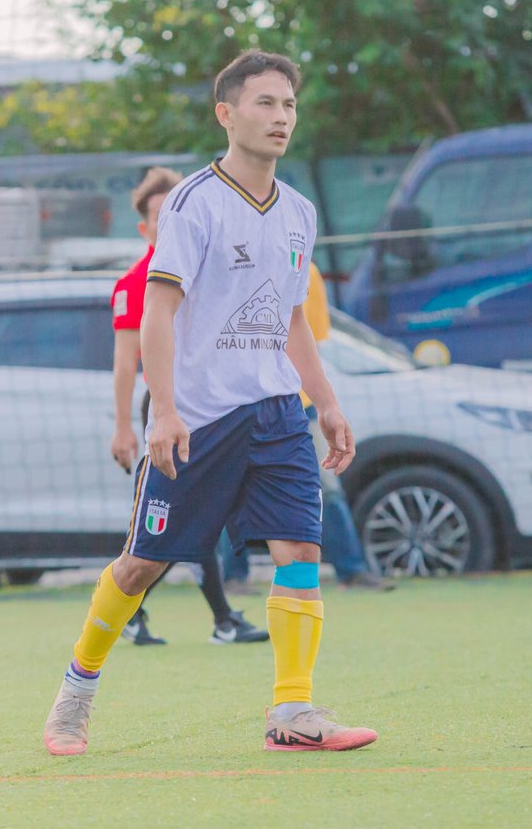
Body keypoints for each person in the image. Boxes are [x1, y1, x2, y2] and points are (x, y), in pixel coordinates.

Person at [44, 50, 377, 756]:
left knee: (300, 550)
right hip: (199, 422)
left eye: (289, 104)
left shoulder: (300, 212)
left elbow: (291, 319)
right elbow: (157, 312)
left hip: (278, 414)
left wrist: (327, 403)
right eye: (265, 103)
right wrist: (163, 411)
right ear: (226, 113)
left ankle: (292, 710)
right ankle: (75, 692)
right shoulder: (194, 202)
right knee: (141, 565)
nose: (281, 117)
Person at [109, 167, 267, 647]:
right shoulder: (135, 284)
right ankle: (209, 617)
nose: (174, 221)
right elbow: (125, 361)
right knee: (181, 516)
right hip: (170, 407)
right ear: (145, 229)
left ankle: (199, 617)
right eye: (161, 216)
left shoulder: (214, 266)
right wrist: (124, 426)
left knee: (200, 515)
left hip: (220, 404)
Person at [221, 262, 393, 593]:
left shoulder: (305, 268)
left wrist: (326, 402)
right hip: (242, 404)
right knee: (233, 489)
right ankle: (233, 577)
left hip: (299, 405)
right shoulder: (235, 261)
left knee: (327, 486)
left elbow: (308, 336)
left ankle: (352, 571)